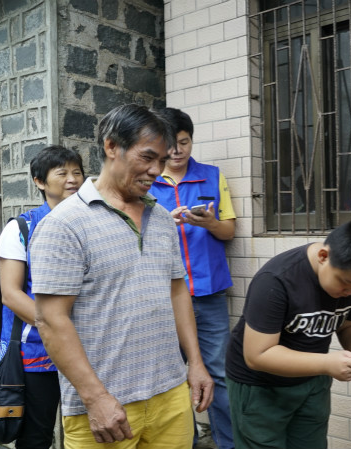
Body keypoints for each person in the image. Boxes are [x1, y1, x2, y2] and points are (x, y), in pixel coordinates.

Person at [30, 104, 214, 448]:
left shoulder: (161, 218)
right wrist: (95, 398)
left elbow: (177, 292)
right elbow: (51, 319)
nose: (156, 171)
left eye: (162, 160)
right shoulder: (64, 224)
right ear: (111, 146)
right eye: (147, 157)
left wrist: (196, 364)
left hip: (172, 394)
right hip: (104, 406)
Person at [225, 219, 351, 449]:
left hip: (312, 382)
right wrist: (326, 363)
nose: (350, 293)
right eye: (346, 285)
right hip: (261, 388)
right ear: (323, 256)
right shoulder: (276, 280)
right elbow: (258, 355)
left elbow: (349, 326)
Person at [150, 107, 236, 449]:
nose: (177, 151)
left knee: (220, 373)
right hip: (163, 295)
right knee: (170, 376)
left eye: (183, 142)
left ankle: (228, 443)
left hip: (209, 293)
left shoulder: (213, 176)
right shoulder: (147, 181)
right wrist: (163, 224)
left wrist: (209, 224)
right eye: (171, 145)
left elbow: (228, 230)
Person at [0, 145, 85, 449]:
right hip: (37, 355)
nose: (72, 179)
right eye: (62, 173)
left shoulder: (91, 223)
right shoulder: (22, 227)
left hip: (90, 348)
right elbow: (11, 295)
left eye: (77, 172)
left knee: (89, 430)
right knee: (37, 435)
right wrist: (59, 330)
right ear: (39, 181)